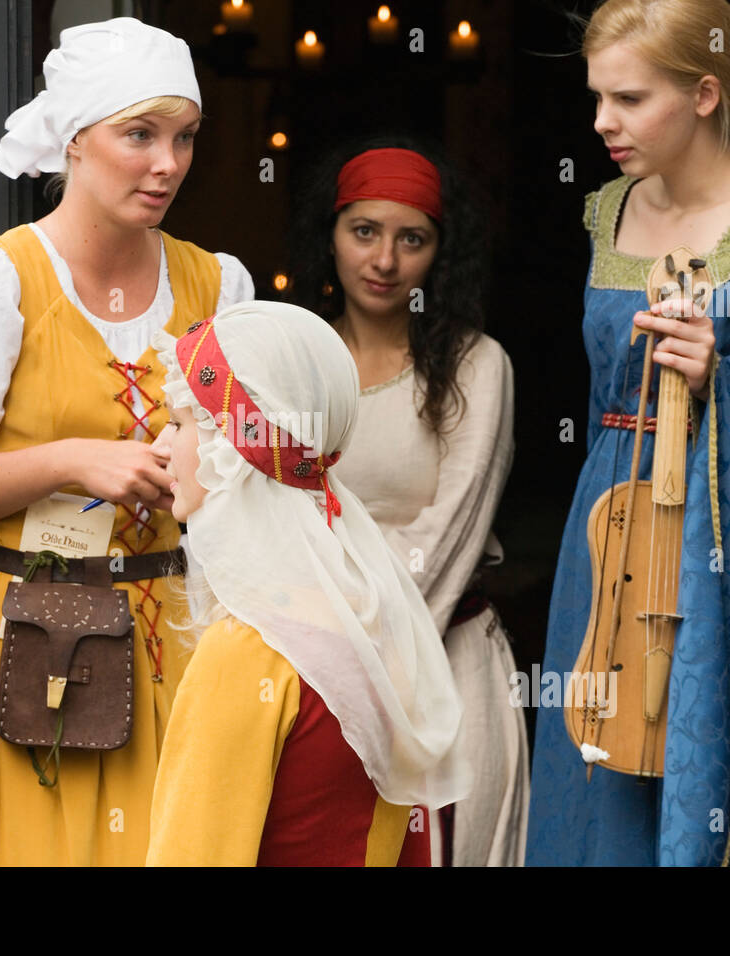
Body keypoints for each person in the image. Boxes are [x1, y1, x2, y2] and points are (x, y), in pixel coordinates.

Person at [0, 17, 253, 866]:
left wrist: (211, 467)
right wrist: (69, 460)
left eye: (184, 137)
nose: (167, 162)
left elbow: (253, 477)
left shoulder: (219, 283)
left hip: (177, 635)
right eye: (139, 134)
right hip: (33, 638)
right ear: (74, 140)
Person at [526, 0, 730, 866]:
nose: (603, 121)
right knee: (595, 766)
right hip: (605, 524)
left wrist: (727, 380)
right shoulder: (605, 210)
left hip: (727, 528)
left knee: (700, 761)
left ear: (706, 93)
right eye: (599, 97)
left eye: (630, 99)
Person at [144, 301, 470, 866]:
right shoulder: (371, 625)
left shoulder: (246, 652)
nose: (160, 446)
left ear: (232, 449)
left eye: (178, 422)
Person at [289, 140, 526, 866]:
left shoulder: (476, 366)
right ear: (329, 236)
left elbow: (449, 533)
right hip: (310, 679)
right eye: (364, 231)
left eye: (411, 239)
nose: (384, 260)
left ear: (439, 254)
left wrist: (351, 646)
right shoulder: (292, 365)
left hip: (446, 668)